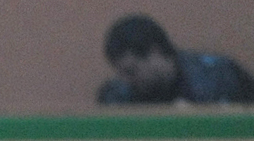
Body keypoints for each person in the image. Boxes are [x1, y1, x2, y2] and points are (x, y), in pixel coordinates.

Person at [97, 15, 254, 106]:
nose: (126, 80)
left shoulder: (219, 78)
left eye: (131, 71)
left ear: (155, 53)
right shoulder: (117, 95)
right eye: (121, 73)